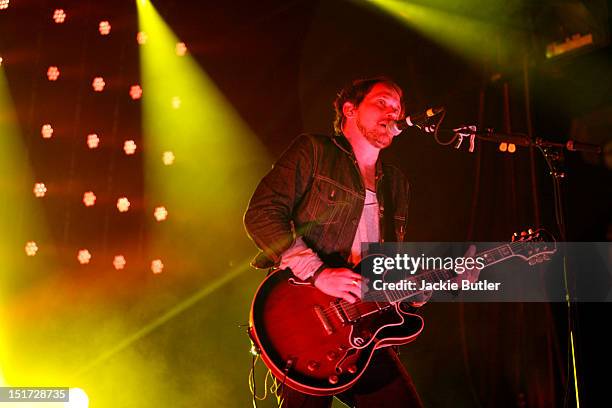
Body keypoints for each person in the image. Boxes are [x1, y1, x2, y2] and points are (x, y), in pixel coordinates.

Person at [244, 77, 476, 407]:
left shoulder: (396, 183)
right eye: (383, 102)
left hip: (365, 331)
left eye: (398, 107)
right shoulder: (315, 151)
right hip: (304, 321)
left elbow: (384, 271)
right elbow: (261, 214)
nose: (394, 111)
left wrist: (427, 288)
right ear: (350, 109)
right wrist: (319, 272)